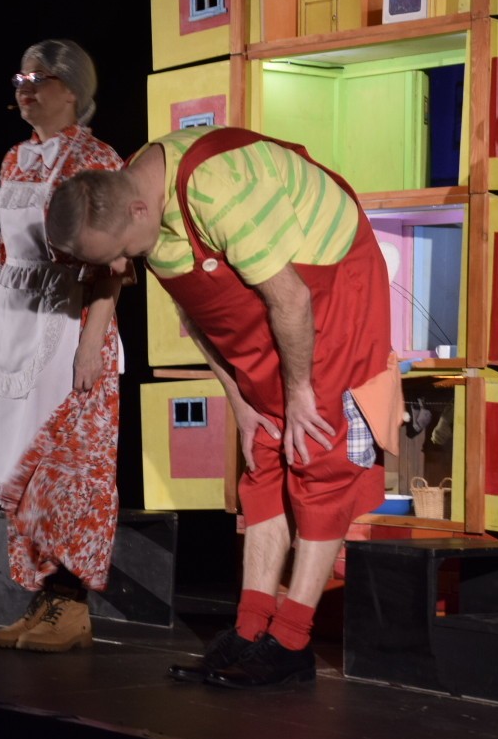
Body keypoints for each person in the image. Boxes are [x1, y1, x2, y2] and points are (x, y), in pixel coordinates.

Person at [46, 125, 401, 687]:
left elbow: (292, 298)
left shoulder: (217, 188)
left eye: (120, 255)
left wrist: (300, 392)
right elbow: (200, 315)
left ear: (138, 210)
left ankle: (292, 642)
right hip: (274, 309)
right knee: (263, 456)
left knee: (318, 455)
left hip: (330, 292)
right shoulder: (133, 192)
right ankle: (251, 628)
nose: (120, 269)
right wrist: (239, 400)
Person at [0, 39, 132, 653]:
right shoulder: (14, 159)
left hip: (69, 322)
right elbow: (10, 254)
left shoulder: (96, 157)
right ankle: (42, 597)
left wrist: (92, 340)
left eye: (40, 79)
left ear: (73, 89)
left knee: (68, 466)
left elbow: (114, 261)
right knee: (21, 465)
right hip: (14, 324)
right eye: (21, 79)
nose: (26, 89)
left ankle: (73, 603)